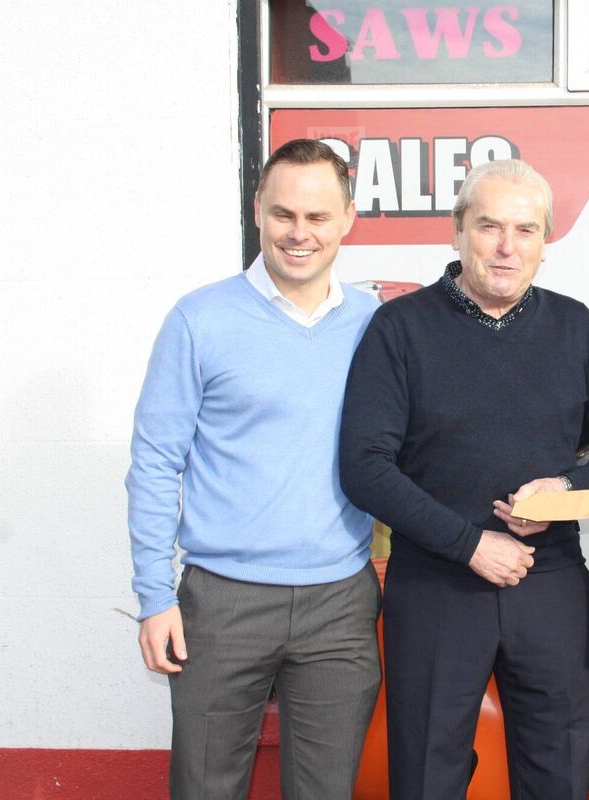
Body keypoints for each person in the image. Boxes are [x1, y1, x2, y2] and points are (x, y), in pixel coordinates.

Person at [338, 158, 589, 800]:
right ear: (457, 230)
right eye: (489, 226)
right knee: (425, 777)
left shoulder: (574, 327)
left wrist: (568, 492)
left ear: (546, 242)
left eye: (525, 230)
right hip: (435, 585)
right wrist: (469, 545)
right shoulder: (400, 328)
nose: (506, 247)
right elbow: (365, 466)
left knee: (559, 777)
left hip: (550, 584)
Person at [127, 139, 382, 799]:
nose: (299, 233)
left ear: (348, 219)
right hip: (222, 603)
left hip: (340, 604)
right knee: (205, 788)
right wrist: (155, 597)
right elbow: (155, 462)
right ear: (258, 210)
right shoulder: (199, 319)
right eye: (283, 214)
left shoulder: (375, 325)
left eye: (317, 216)